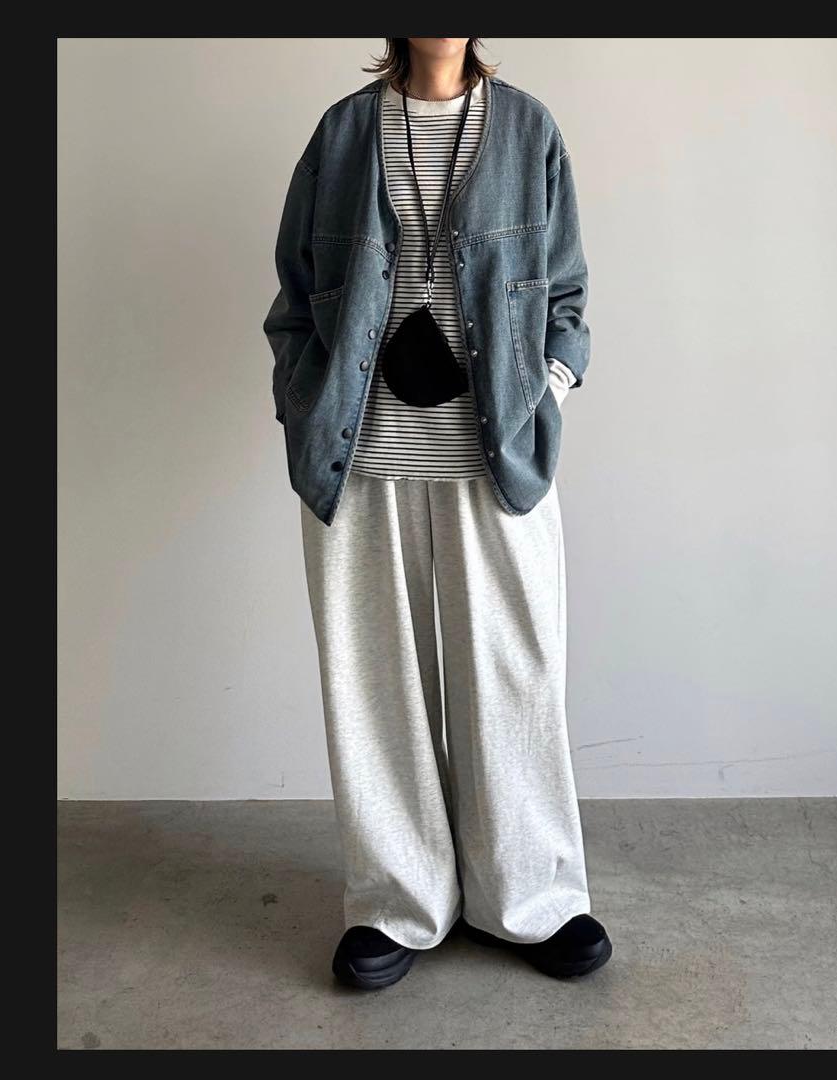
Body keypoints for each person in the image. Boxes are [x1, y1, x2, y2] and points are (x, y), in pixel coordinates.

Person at [263, 37, 612, 990]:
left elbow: (567, 292)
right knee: (374, 682)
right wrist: (303, 399)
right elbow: (295, 294)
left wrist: (545, 389)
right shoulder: (343, 134)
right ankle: (396, 900)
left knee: (514, 677)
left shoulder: (528, 130)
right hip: (361, 460)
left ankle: (530, 897)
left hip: (496, 458)